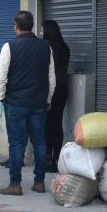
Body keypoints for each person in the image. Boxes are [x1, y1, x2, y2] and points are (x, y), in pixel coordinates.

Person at [0, 11, 56, 196]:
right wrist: (48, 99)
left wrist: (2, 96)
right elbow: (51, 78)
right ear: (32, 26)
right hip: (38, 103)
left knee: (16, 144)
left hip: (15, 103)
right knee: (39, 142)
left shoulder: (9, 46)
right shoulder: (46, 47)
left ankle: (15, 184)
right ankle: (39, 182)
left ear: (16, 26)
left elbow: (0, 77)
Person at [41, 20, 70, 173]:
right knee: (57, 123)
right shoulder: (65, 48)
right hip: (63, 88)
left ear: (47, 31)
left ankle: (46, 158)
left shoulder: (45, 48)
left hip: (49, 88)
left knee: (46, 124)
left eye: (41, 30)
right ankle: (56, 158)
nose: (40, 33)